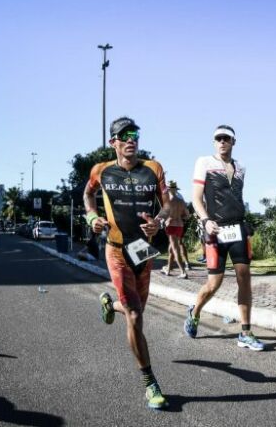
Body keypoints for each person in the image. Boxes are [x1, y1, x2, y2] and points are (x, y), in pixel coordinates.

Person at [84, 116, 170, 410]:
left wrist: (158, 221)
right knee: (134, 315)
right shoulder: (101, 170)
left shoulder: (153, 168)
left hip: (142, 249)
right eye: (125, 135)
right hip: (117, 250)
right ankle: (150, 382)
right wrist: (92, 217)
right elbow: (88, 193)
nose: (131, 139)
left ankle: (110, 304)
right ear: (114, 142)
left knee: (136, 309)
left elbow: (168, 204)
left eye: (135, 133)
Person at [184, 125, 264, 351]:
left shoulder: (241, 168)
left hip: (238, 228)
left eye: (226, 138)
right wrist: (205, 220)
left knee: (244, 277)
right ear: (214, 142)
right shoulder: (204, 163)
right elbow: (196, 199)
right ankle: (195, 311)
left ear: (233, 142)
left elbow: (236, 197)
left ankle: (245, 332)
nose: (222, 142)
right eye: (218, 138)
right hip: (215, 230)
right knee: (214, 283)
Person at [160, 180, 191, 278]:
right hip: (180, 226)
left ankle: (183, 272)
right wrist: (179, 216)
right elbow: (187, 215)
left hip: (171, 226)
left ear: (168, 190)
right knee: (171, 248)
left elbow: (162, 215)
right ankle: (168, 269)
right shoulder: (181, 201)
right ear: (176, 189)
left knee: (175, 248)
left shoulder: (168, 201)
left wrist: (168, 218)